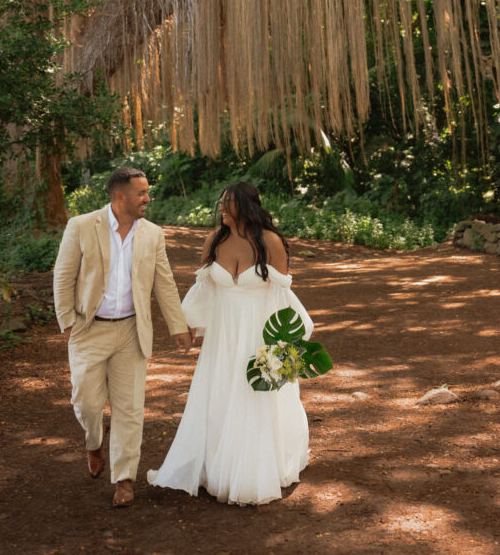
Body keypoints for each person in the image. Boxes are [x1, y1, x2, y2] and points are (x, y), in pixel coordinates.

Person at [147, 181, 313, 505]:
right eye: (221, 203)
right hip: (223, 337)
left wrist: (284, 346)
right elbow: (205, 288)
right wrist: (194, 324)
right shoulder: (214, 240)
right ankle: (219, 466)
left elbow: (282, 297)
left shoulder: (270, 242)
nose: (221, 208)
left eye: (228, 204)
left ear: (247, 206)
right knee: (221, 393)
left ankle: (255, 470)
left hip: (257, 333)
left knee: (255, 394)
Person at [53, 166, 191, 508]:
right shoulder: (82, 226)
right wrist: (67, 320)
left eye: (147, 192)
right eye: (141, 193)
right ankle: (94, 441)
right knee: (85, 403)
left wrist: (178, 326)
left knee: (129, 409)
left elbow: (164, 282)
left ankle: (124, 479)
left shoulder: (153, 234)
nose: (148, 198)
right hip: (89, 329)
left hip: (132, 331)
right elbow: (63, 275)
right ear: (120, 196)